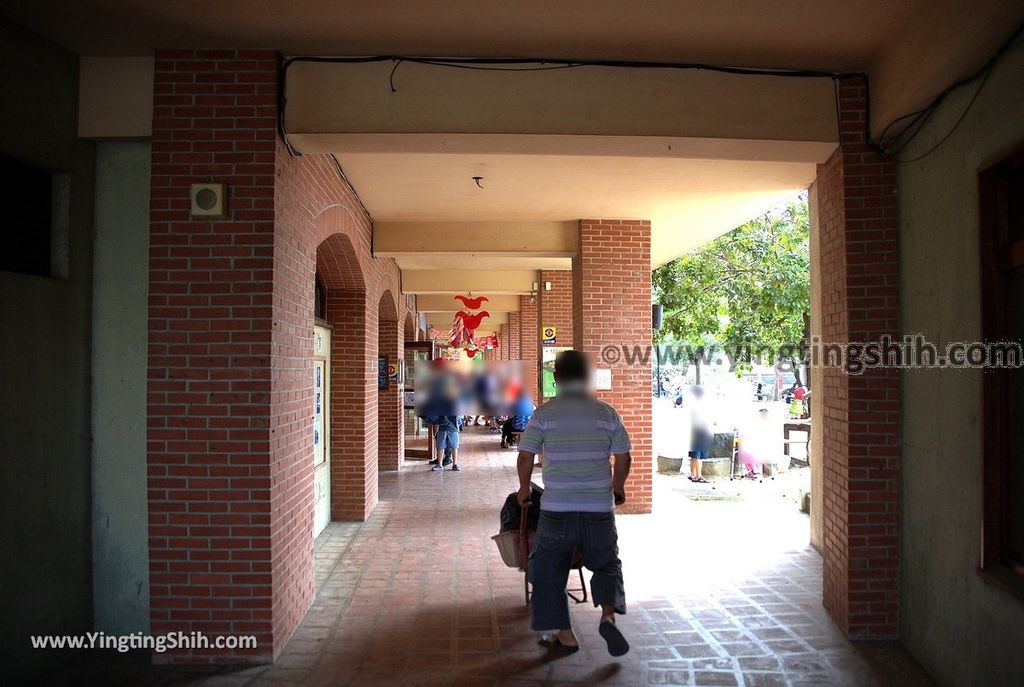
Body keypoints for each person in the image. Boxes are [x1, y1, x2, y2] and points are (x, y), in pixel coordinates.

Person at [516, 350, 632, 657]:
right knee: (607, 565)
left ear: (557, 379)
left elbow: (526, 455)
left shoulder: (544, 414)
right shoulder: (606, 413)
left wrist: (523, 489)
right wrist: (617, 488)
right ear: (587, 378)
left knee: (547, 569)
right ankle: (607, 616)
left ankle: (564, 634)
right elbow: (623, 457)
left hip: (557, 510)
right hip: (598, 509)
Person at [688, 386, 712, 483]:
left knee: (694, 454)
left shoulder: (693, 405)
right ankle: (698, 476)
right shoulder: (700, 405)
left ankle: (693, 474)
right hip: (700, 431)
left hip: (694, 430)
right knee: (698, 455)